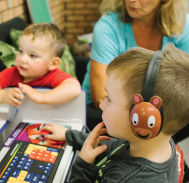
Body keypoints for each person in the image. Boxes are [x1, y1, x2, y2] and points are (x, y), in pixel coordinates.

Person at [43, 44, 189, 183]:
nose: (102, 105)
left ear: (143, 120)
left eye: (109, 98)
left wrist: (83, 167)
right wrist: (69, 135)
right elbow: (116, 146)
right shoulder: (159, 142)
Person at [81, 0, 189, 131]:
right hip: (104, 109)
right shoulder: (107, 26)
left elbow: (183, 86)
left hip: (155, 110)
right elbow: (100, 97)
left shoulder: (182, 25)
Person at [0, 23, 81, 106]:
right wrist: (3, 96)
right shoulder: (13, 72)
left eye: (32, 55)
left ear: (53, 64)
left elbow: (74, 88)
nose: (22, 59)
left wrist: (42, 98)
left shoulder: (53, 75)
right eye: (21, 51)